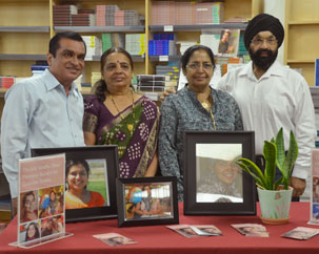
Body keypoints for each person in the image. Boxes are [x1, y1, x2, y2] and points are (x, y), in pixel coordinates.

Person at [218, 13, 316, 198]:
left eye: (270, 40)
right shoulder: (231, 79)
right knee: (239, 224)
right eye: (258, 40)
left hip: (282, 169)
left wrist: (300, 174)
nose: (264, 46)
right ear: (249, 44)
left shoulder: (294, 81)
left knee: (278, 223)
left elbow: (306, 130)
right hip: (241, 167)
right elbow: (208, 102)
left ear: (277, 43)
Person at [1, 32, 87, 213]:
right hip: (35, 189)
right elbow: (11, 145)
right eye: (67, 54)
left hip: (69, 188)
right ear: (50, 58)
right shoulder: (26, 90)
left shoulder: (76, 95)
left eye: (80, 57)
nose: (75, 62)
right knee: (36, 238)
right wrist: (18, 193)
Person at [159, 45, 243, 201]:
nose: (200, 70)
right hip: (188, 189)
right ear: (184, 70)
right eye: (194, 65)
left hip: (228, 190)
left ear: (213, 69)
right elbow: (167, 151)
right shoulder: (173, 103)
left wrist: (240, 187)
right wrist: (179, 193)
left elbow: (240, 146)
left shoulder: (228, 102)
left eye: (206, 65)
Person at [83, 47, 159, 178]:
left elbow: (153, 154)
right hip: (102, 182)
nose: (118, 71)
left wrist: (143, 185)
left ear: (132, 72)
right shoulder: (92, 105)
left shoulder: (149, 108)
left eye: (124, 66)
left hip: (138, 188)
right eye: (111, 67)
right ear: (102, 72)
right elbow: (87, 150)